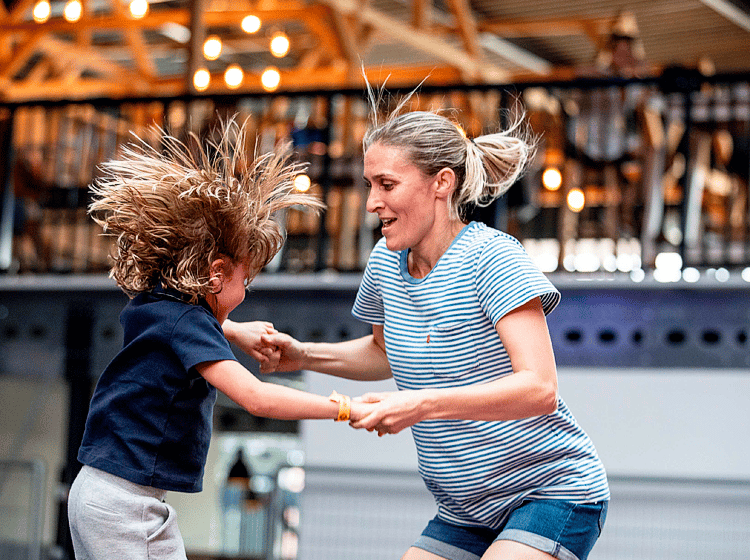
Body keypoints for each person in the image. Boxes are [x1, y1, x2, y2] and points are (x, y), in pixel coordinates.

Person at [231, 90, 610, 560]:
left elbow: (539, 389)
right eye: (369, 185)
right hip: (465, 508)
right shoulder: (386, 265)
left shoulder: (494, 258)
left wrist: (419, 404)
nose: (372, 202)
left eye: (386, 185)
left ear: (442, 183)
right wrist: (304, 355)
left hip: (551, 491)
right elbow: (385, 353)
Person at [67, 118, 371, 560]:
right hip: (124, 506)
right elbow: (257, 399)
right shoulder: (185, 323)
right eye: (245, 279)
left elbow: (181, 327)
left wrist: (235, 330)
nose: (247, 292)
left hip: (104, 493)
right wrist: (344, 407)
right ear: (215, 274)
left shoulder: (158, 305)